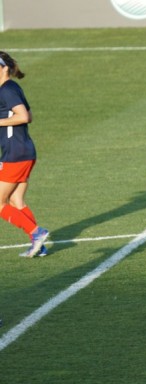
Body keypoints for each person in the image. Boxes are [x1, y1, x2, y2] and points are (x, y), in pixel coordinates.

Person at [0, 51, 49, 258]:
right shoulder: (12, 88)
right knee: (16, 200)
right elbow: (29, 114)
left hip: (15, 153)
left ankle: (37, 233)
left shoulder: (6, 91)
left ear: (4, 69)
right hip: (23, 151)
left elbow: (24, 117)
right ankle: (39, 245)